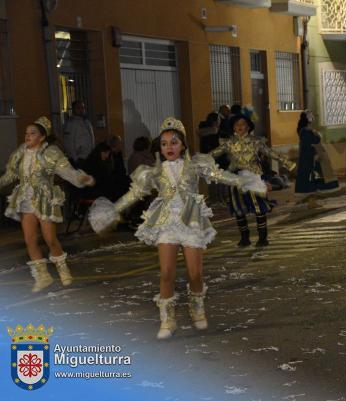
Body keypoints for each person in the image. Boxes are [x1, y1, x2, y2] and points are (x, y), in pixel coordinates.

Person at [89, 117, 265, 339]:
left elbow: (220, 175)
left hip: (191, 219)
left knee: (195, 273)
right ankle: (167, 319)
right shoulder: (153, 172)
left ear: (183, 144)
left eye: (174, 142)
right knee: (166, 273)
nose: (169, 147)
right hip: (166, 221)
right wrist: (114, 209)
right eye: (164, 143)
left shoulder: (196, 164)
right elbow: (135, 193)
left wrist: (245, 181)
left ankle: (197, 307)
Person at [0, 117, 94, 292]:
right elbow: (10, 175)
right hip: (25, 199)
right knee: (30, 240)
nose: (28, 136)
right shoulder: (20, 153)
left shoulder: (51, 153)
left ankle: (62, 269)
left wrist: (81, 178)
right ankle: (43, 277)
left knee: (50, 239)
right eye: (26, 133)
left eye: (32, 133)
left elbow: (66, 171)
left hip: (45, 199)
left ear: (42, 137)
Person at [209, 114, 296, 247]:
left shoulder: (256, 142)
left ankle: (262, 238)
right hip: (236, 179)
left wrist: (286, 162)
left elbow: (270, 152)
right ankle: (244, 238)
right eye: (237, 124)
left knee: (259, 208)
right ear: (233, 127)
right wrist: (198, 161)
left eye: (243, 124)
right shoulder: (228, 143)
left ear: (248, 127)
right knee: (239, 209)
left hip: (253, 178)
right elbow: (213, 154)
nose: (240, 127)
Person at [295, 111, 339, 208]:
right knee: (311, 180)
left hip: (317, 157)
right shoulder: (304, 131)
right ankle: (311, 201)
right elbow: (306, 146)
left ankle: (312, 201)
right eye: (311, 116)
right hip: (310, 159)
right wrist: (313, 155)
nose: (313, 117)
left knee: (317, 181)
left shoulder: (310, 130)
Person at [63, 100, 95, 167]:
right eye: (78, 108)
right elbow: (68, 142)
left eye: (83, 107)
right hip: (79, 159)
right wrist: (75, 159)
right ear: (74, 109)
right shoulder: (71, 123)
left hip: (89, 157)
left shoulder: (87, 122)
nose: (81, 110)